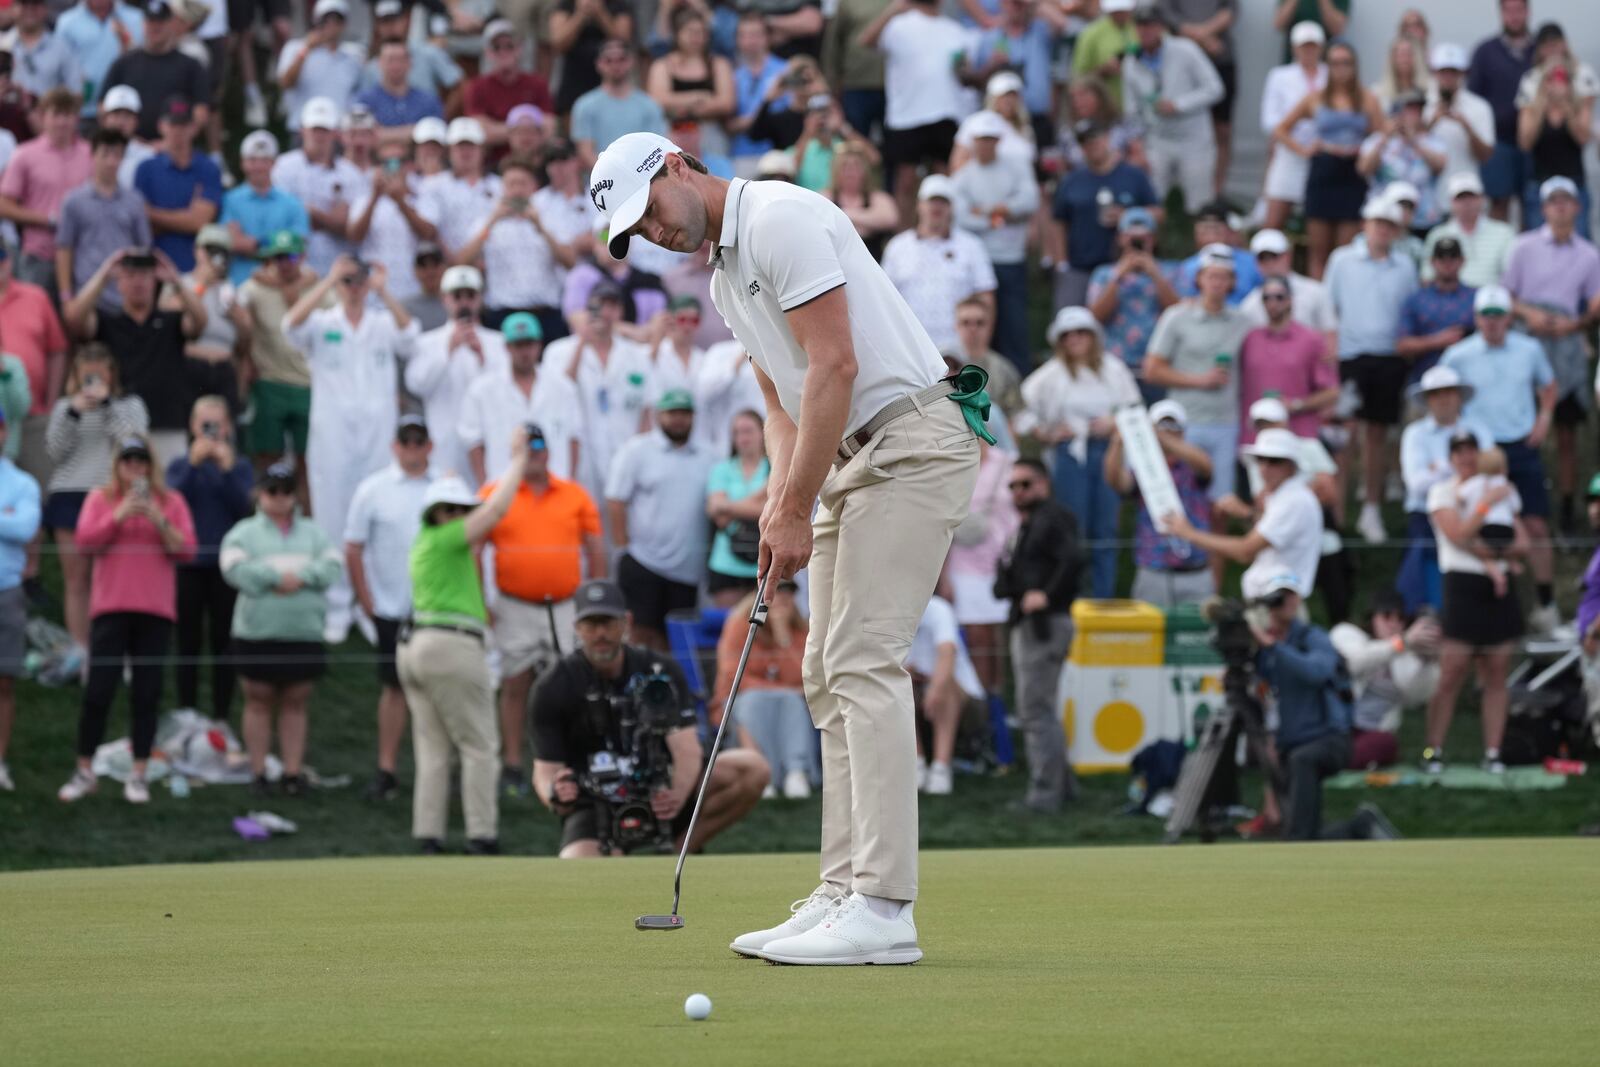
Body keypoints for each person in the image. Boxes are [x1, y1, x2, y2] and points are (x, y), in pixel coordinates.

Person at [592, 130, 982, 963]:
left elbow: (834, 366)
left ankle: (884, 906)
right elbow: (781, 405)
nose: (652, 233)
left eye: (649, 210)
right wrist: (780, 500)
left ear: (675, 166)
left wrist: (797, 507)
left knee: (863, 660)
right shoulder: (727, 274)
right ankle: (843, 889)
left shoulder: (778, 216)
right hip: (846, 459)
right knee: (823, 668)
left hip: (911, 443)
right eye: (633, 232)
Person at [532, 578, 768, 857]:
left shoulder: (659, 669)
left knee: (752, 768)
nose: (600, 633)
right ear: (577, 627)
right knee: (577, 864)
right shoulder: (553, 685)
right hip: (596, 803)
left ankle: (678, 853)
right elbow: (545, 770)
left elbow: (686, 747)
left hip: (661, 789)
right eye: (591, 624)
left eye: (608, 622)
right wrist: (555, 792)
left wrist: (677, 795)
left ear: (627, 622)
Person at [285, 253, 418, 643]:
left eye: (358, 280)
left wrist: (383, 290)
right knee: (333, 515)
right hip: (332, 437)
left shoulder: (381, 323)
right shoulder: (323, 323)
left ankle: (372, 604)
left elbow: (409, 337)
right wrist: (328, 281)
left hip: (378, 434)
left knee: (378, 515)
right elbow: (288, 325)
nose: (353, 287)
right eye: (348, 281)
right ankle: (337, 603)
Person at [57, 434, 196, 805]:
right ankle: (85, 769)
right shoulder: (100, 500)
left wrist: (157, 518)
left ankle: (139, 773)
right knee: (98, 692)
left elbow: (187, 549)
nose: (136, 468)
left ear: (151, 465)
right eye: (129, 461)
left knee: (147, 694)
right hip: (110, 609)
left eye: (142, 461)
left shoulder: (171, 502)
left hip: (155, 611)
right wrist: (119, 515)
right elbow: (85, 542)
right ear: (118, 465)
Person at [478, 421, 605, 797]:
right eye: (526, 447)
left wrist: (592, 598)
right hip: (515, 604)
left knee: (570, 682)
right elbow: (473, 544)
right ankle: (514, 763)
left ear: (549, 451)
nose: (534, 454)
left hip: (566, 605)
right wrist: (481, 601)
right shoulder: (495, 492)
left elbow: (595, 546)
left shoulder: (573, 494)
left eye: (538, 446)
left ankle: (569, 761)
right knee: (515, 683)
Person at [393, 455, 509, 852]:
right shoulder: (444, 538)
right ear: (435, 514)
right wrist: (520, 458)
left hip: (416, 645)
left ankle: (429, 835)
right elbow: (495, 510)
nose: (459, 515)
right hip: (449, 644)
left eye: (462, 509)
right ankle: (482, 834)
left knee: (433, 747)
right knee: (479, 745)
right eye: (451, 509)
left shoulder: (427, 541)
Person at [1439, 284, 1558, 632]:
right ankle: (1483, 599)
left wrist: (1544, 418)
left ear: (1509, 317)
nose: (1491, 322)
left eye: (1497, 315)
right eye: (1485, 316)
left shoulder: (1529, 349)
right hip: (1479, 451)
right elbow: (1444, 395)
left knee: (1535, 524)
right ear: (1476, 318)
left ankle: (1546, 604)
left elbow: (1548, 387)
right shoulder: (1458, 355)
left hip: (1520, 445)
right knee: (1477, 526)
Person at [1249, 574, 1400, 842]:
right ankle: (1359, 828)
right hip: (1291, 745)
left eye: (1283, 596)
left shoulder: (1313, 638)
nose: (1278, 605)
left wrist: (1274, 647)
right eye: (1272, 599)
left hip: (1330, 740)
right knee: (1305, 834)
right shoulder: (1266, 648)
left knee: (1302, 764)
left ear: (1295, 600)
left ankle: (1316, 836)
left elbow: (1317, 671)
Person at [220, 460, 340, 796]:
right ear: (261, 493)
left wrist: (300, 578)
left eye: (286, 490)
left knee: (295, 702)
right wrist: (275, 578)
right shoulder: (244, 532)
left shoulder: (314, 533)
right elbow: (233, 569)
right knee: (257, 701)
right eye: (273, 490)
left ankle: (291, 773)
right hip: (257, 631)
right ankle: (258, 773)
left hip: (302, 632)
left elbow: (332, 568)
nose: (280, 497)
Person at [1015, 306, 1137, 599]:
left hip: (1108, 451)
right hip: (1070, 455)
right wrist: (1046, 432)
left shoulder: (1114, 369)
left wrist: (1114, 422)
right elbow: (1021, 411)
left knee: (1106, 529)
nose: (1075, 339)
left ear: (1093, 336)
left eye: (1081, 332)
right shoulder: (1050, 375)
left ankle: (1104, 600)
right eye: (1068, 334)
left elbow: (1134, 408)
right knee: (1075, 529)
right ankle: (1074, 601)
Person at [1422, 430, 1524, 775]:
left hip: (1498, 586)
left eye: (1471, 451)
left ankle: (1493, 752)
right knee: (1452, 671)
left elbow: (1521, 541)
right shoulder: (1444, 491)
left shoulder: (1498, 486)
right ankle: (1431, 750)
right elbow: (1458, 535)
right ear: (1451, 458)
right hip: (1461, 584)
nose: (1466, 458)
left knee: (1496, 670)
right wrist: (1485, 508)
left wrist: (1495, 548)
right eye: (1459, 452)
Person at [1502, 176, 1600, 535]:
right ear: (1544, 208)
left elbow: (1594, 305)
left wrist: (1574, 325)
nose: (1560, 207)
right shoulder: (1523, 247)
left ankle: (1567, 510)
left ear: (1576, 207)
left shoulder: (1589, 254)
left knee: (1567, 434)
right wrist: (1531, 316)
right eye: (1553, 201)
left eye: (1566, 200)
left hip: (1567, 344)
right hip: (1527, 344)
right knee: (1522, 429)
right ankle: (1520, 508)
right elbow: (1505, 297)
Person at [345, 416, 435, 802]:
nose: (412, 448)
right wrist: (366, 602)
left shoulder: (444, 490)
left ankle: (434, 773)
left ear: (429, 446)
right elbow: (353, 547)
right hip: (391, 608)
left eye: (419, 441)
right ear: (395, 446)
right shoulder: (373, 489)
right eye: (406, 441)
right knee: (394, 690)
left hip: (435, 610)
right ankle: (387, 769)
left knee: (436, 693)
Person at [43, 346, 148, 658]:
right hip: (69, 494)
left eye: (99, 372)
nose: (92, 379)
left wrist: (106, 406)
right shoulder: (65, 407)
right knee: (76, 579)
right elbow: (54, 452)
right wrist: (75, 412)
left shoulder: (130, 405)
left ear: (111, 374)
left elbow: (134, 444)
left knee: (117, 577)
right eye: (86, 373)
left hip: (112, 493)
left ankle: (118, 649)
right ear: (75, 376)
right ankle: (81, 651)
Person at [1325, 198, 1418, 544]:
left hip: (1389, 358)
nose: (1382, 229)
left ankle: (1370, 511)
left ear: (1396, 231)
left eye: (1389, 224)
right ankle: (1336, 511)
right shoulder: (1342, 260)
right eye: (1377, 222)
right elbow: (1329, 307)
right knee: (1345, 435)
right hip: (1350, 357)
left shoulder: (1405, 265)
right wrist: (1332, 351)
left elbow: (1407, 313)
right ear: (1365, 224)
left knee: (1376, 435)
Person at [63, 247, 207, 470]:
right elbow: (74, 319)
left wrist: (176, 280)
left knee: (168, 495)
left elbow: (199, 322)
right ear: (118, 282)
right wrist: (103, 275)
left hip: (166, 424)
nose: (138, 282)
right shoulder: (107, 322)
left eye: (144, 275)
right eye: (130, 275)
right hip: (118, 428)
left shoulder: (171, 321)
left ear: (155, 281)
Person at [994, 457, 1079, 813]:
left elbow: (1073, 559)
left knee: (1034, 711)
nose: (1018, 491)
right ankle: (1064, 789)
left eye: (1025, 484)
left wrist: (1046, 593)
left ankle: (1045, 794)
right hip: (1034, 623)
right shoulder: (1027, 526)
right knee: (1040, 709)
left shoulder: (1052, 518)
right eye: (1012, 486)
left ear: (1043, 484)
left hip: (1045, 624)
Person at [1143, 243, 1252, 513]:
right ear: (1199, 279)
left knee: (1220, 505)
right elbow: (1152, 369)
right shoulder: (1177, 317)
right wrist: (1200, 380)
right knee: (1181, 501)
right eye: (1211, 276)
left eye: (1223, 277)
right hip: (1185, 424)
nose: (1217, 283)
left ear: (1232, 282)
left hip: (1226, 423)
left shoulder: (1244, 321)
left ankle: (1216, 555)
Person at [166, 395, 252, 724]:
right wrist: (193, 463)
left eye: (217, 425)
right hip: (188, 566)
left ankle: (220, 716)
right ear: (192, 427)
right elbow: (173, 502)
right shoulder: (179, 465)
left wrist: (227, 469)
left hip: (226, 568)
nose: (212, 432)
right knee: (187, 642)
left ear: (229, 427)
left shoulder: (240, 467)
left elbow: (244, 509)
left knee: (224, 644)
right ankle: (187, 713)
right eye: (205, 425)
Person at [606, 390, 712, 652]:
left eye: (685, 413)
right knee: (639, 635)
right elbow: (615, 499)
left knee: (677, 641)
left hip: (687, 569)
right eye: (672, 413)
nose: (679, 420)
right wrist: (623, 547)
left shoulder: (709, 456)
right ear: (658, 416)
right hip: (643, 561)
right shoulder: (637, 450)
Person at [1163, 428, 1323, 601]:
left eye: (1275, 461)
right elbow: (1273, 534)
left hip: (1279, 603)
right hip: (1273, 600)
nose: (1265, 468)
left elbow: (1245, 551)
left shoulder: (1293, 501)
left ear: (1292, 465)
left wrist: (1189, 533)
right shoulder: (1285, 496)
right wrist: (1247, 514)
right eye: (1260, 459)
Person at [1275, 42, 1386, 279]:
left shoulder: (1367, 99)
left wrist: (1369, 153)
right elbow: (1281, 128)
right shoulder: (1315, 98)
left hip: (1352, 172)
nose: (1341, 69)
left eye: (1346, 63)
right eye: (1335, 63)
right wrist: (1303, 149)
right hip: (1324, 169)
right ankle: (1318, 301)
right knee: (1319, 251)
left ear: (1354, 66)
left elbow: (1380, 135)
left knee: (1344, 251)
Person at [859, 0, 972, 223]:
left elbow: (964, 73)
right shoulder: (898, 24)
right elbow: (866, 41)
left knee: (943, 179)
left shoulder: (955, 30)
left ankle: (942, 231)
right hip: (906, 115)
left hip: (945, 112)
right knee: (906, 182)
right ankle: (903, 239)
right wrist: (893, 9)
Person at [1397, 366, 1492, 614]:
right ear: (1428, 399)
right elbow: (1415, 485)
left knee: (1476, 575)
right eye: (1436, 394)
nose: (1444, 399)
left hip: (1472, 512)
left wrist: (1437, 468)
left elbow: (1492, 471)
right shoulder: (1415, 434)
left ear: (1459, 396)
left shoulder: (1478, 428)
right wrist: (1458, 469)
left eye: (1449, 392)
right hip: (1427, 518)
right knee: (1431, 589)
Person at [402, 265, 507, 486]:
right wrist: (447, 351)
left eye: (470, 295)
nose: (464, 302)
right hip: (444, 442)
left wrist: (482, 357)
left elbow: (507, 388)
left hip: (489, 440)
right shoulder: (427, 342)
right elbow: (416, 385)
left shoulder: (498, 342)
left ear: (480, 298)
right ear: (444, 299)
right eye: (457, 295)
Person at [950, 111, 1038, 373]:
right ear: (972, 142)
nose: (985, 144)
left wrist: (989, 210)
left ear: (998, 140)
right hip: (978, 262)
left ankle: (1017, 379)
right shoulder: (963, 177)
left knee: (1014, 325)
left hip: (1010, 259)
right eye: (980, 139)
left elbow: (1030, 202)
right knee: (980, 325)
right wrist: (1001, 216)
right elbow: (962, 217)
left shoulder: (1016, 166)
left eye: (990, 139)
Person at [1104, 399, 1214, 606]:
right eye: (1162, 426)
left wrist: (1157, 435)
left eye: (1173, 426)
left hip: (1195, 573)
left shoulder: (1193, 465)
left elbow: (1205, 465)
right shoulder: (1142, 471)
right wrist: (1118, 441)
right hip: (1154, 572)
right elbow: (1115, 481)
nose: (1167, 432)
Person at [712, 579, 813, 799]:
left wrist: (783, 636)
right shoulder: (740, 624)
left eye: (787, 595)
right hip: (739, 701)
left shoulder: (797, 628)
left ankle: (795, 772)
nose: (782, 600)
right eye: (776, 594)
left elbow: (804, 677)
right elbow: (733, 677)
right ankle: (763, 772)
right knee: (757, 700)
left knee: (791, 702)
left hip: (788, 702)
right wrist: (776, 689)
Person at [454, 156, 578, 333]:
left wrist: (540, 227)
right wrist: (492, 222)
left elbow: (570, 262)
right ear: (502, 187)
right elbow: (463, 261)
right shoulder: (486, 222)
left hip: (545, 314)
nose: (517, 190)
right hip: (502, 314)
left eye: (522, 183)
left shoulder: (551, 219)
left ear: (534, 186)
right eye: (511, 184)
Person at [1122, 5, 1224, 215]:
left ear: (1161, 27)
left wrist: (1179, 105)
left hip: (1194, 140)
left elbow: (1215, 88)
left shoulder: (1185, 50)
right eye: (1140, 26)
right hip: (1158, 140)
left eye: (1150, 25)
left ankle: (1201, 244)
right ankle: (1152, 245)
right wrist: (1137, 145)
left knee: (1200, 206)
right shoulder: (1131, 61)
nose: (1145, 31)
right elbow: (1131, 110)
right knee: (1150, 202)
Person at [881, 175, 996, 356]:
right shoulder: (897, 247)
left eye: (943, 201)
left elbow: (986, 298)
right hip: (911, 348)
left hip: (959, 352)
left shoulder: (972, 246)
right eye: (931, 201)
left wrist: (980, 346)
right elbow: (884, 299)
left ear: (951, 207)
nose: (937, 207)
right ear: (919, 205)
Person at [462, 314, 581, 486]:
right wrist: (484, 488)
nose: (524, 352)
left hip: (553, 486)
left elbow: (574, 438)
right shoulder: (482, 390)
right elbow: (474, 443)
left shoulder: (563, 388)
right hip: (503, 488)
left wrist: (569, 484)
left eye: (529, 344)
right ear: (507, 347)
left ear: (539, 344)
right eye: (518, 345)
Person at [1331, 591, 1442, 770]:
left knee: (1386, 743)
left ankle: (1334, 760)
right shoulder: (1347, 634)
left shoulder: (1406, 653)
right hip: (1338, 726)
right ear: (1373, 616)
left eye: (1400, 618)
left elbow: (1416, 697)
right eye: (1386, 616)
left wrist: (1428, 662)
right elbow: (1353, 663)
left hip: (1374, 732)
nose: (1393, 623)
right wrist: (1401, 643)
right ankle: (1333, 758)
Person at [944, 435, 1016, 696]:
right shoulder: (951, 466)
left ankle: (1000, 700)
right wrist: (943, 577)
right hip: (963, 565)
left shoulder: (1008, 463)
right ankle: (983, 702)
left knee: (999, 636)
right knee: (976, 637)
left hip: (1003, 562)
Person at [0, 88, 90, 294]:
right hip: (40, 254)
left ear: (76, 118)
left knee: (78, 323)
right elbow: (4, 205)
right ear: (43, 116)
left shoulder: (90, 154)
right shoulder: (24, 154)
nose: (62, 122)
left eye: (67, 115)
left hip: (81, 254)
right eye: (56, 114)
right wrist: (48, 220)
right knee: (35, 317)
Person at [1087, 209, 1179, 404]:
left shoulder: (1171, 271)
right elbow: (1095, 316)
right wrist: (1119, 277)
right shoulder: (1104, 274)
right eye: (1132, 238)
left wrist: (1155, 274)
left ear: (1153, 240)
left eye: (1143, 238)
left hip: (1158, 367)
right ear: (1121, 239)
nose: (1137, 244)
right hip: (1116, 368)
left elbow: (1178, 313)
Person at [1238, 276, 1339, 443]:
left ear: (1290, 300)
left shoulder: (1311, 339)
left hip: (1298, 435)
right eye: (1266, 298)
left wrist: (1296, 405)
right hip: (1254, 437)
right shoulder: (1250, 339)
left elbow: (1332, 392)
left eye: (1279, 297)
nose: (1273, 303)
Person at [98, 0, 209, 142]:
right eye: (150, 21)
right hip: (127, 148)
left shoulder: (191, 66)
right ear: (143, 24)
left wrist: (170, 142)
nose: (155, 27)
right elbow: (102, 106)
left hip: (173, 151)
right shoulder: (124, 62)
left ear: (171, 23)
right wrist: (132, 143)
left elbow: (201, 113)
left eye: (160, 22)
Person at [1467, 0, 1535, 222]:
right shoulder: (1485, 52)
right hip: (1498, 143)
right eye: (1509, 11)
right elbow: (1473, 99)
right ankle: (1500, 254)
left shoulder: (1539, 50)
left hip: (1533, 143)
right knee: (1498, 204)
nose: (1514, 16)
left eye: (1519, 10)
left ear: (1527, 12)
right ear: (1501, 13)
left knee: (1532, 203)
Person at [1260, 21, 1327, 232]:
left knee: (1318, 224)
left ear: (1321, 47)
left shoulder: (1331, 75)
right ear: (1294, 48)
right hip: (1288, 155)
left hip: (1322, 155)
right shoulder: (1279, 76)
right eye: (1303, 46)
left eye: (1312, 46)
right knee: (1273, 221)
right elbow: (1269, 121)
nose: (1308, 51)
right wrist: (1299, 146)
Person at [0, 402, 36, 790]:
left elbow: (25, 528)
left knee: (4, 683)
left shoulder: (22, 483)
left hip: (5, 590)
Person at [705, 408, 767, 608]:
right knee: (728, 631)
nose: (742, 437)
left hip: (765, 564)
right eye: (737, 432)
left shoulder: (775, 468)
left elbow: (775, 511)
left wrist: (727, 506)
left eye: (748, 430)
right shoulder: (722, 469)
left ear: (763, 432)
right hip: (726, 564)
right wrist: (759, 502)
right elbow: (718, 517)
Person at [571, 39, 666, 169]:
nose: (615, 65)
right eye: (609, 60)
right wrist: (611, 177)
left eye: (621, 59)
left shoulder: (649, 105)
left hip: (642, 181)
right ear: (598, 64)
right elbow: (585, 151)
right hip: (600, 182)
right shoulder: (584, 105)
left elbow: (656, 148)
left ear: (631, 62)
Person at [1423, 43, 1495, 209]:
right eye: (1443, 72)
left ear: (1463, 73)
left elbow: (1485, 156)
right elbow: (1412, 150)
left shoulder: (1479, 107)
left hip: (1466, 196)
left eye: (1453, 72)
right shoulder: (1422, 106)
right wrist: (1432, 122)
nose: (1448, 77)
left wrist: (1466, 127)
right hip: (1428, 201)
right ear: (1434, 73)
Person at [1396, 236, 1475, 384]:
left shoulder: (1475, 298)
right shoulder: (1416, 300)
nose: (1447, 263)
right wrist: (1437, 341)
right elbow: (1402, 345)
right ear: (1432, 262)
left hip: (1467, 382)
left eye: (1453, 258)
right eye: (1441, 258)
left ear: (1462, 261)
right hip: (1424, 383)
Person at [463, 20, 552, 149]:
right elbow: (479, 132)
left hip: (533, 160)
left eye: (509, 46)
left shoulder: (538, 84)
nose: (503, 51)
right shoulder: (476, 87)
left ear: (519, 49)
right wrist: (527, 129)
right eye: (497, 47)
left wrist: (497, 128)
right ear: (488, 52)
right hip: (492, 162)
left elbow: (548, 129)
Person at [276, 0, 361, 134]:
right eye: (326, 20)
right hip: (303, 129)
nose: (331, 25)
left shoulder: (353, 56)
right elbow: (286, 83)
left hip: (339, 131)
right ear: (316, 21)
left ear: (344, 24)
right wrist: (306, 50)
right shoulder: (295, 48)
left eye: (337, 20)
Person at [1421, 173, 1514, 289]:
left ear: (1482, 199)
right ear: (1451, 202)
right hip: (1450, 301)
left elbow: (1511, 277)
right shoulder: (1437, 235)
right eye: (1461, 197)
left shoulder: (1504, 233)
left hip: (1492, 302)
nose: (1467, 202)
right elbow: (1427, 278)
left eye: (1471, 196)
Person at [549, 0, 635, 119]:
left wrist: (600, 13)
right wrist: (581, 14)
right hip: (574, 78)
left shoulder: (617, 4)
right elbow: (558, 44)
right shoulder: (567, 4)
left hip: (610, 78)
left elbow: (623, 43)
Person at [1072, 0, 1137, 113]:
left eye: (1124, 10)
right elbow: (1078, 79)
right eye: (1116, 11)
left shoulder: (1143, 27)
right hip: (1107, 111)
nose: (1120, 14)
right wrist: (1103, 71)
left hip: (1140, 107)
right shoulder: (1090, 34)